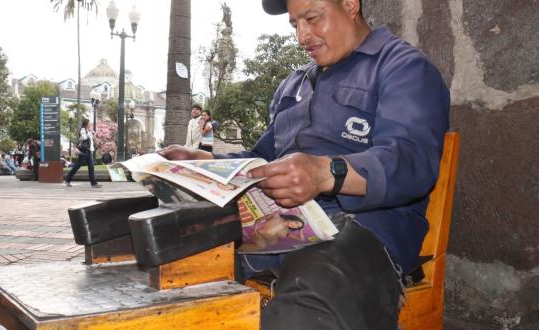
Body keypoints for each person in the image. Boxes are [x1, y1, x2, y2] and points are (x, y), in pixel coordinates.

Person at [159, 0, 450, 328]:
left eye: (312, 18)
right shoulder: (294, 84)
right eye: (295, 24)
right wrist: (205, 161)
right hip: (277, 228)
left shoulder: (403, 67)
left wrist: (327, 172)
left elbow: (410, 162)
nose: (302, 36)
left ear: (350, 4)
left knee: (307, 305)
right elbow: (263, 159)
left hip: (363, 233)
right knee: (170, 264)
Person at [64, 119, 101, 188]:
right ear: (86, 123)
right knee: (81, 166)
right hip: (84, 151)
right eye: (89, 123)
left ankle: (93, 183)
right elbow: (84, 138)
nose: (90, 124)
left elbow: (90, 139)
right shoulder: (83, 130)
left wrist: (92, 134)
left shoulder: (87, 130)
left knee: (88, 166)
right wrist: (90, 133)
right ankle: (93, 183)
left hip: (88, 150)